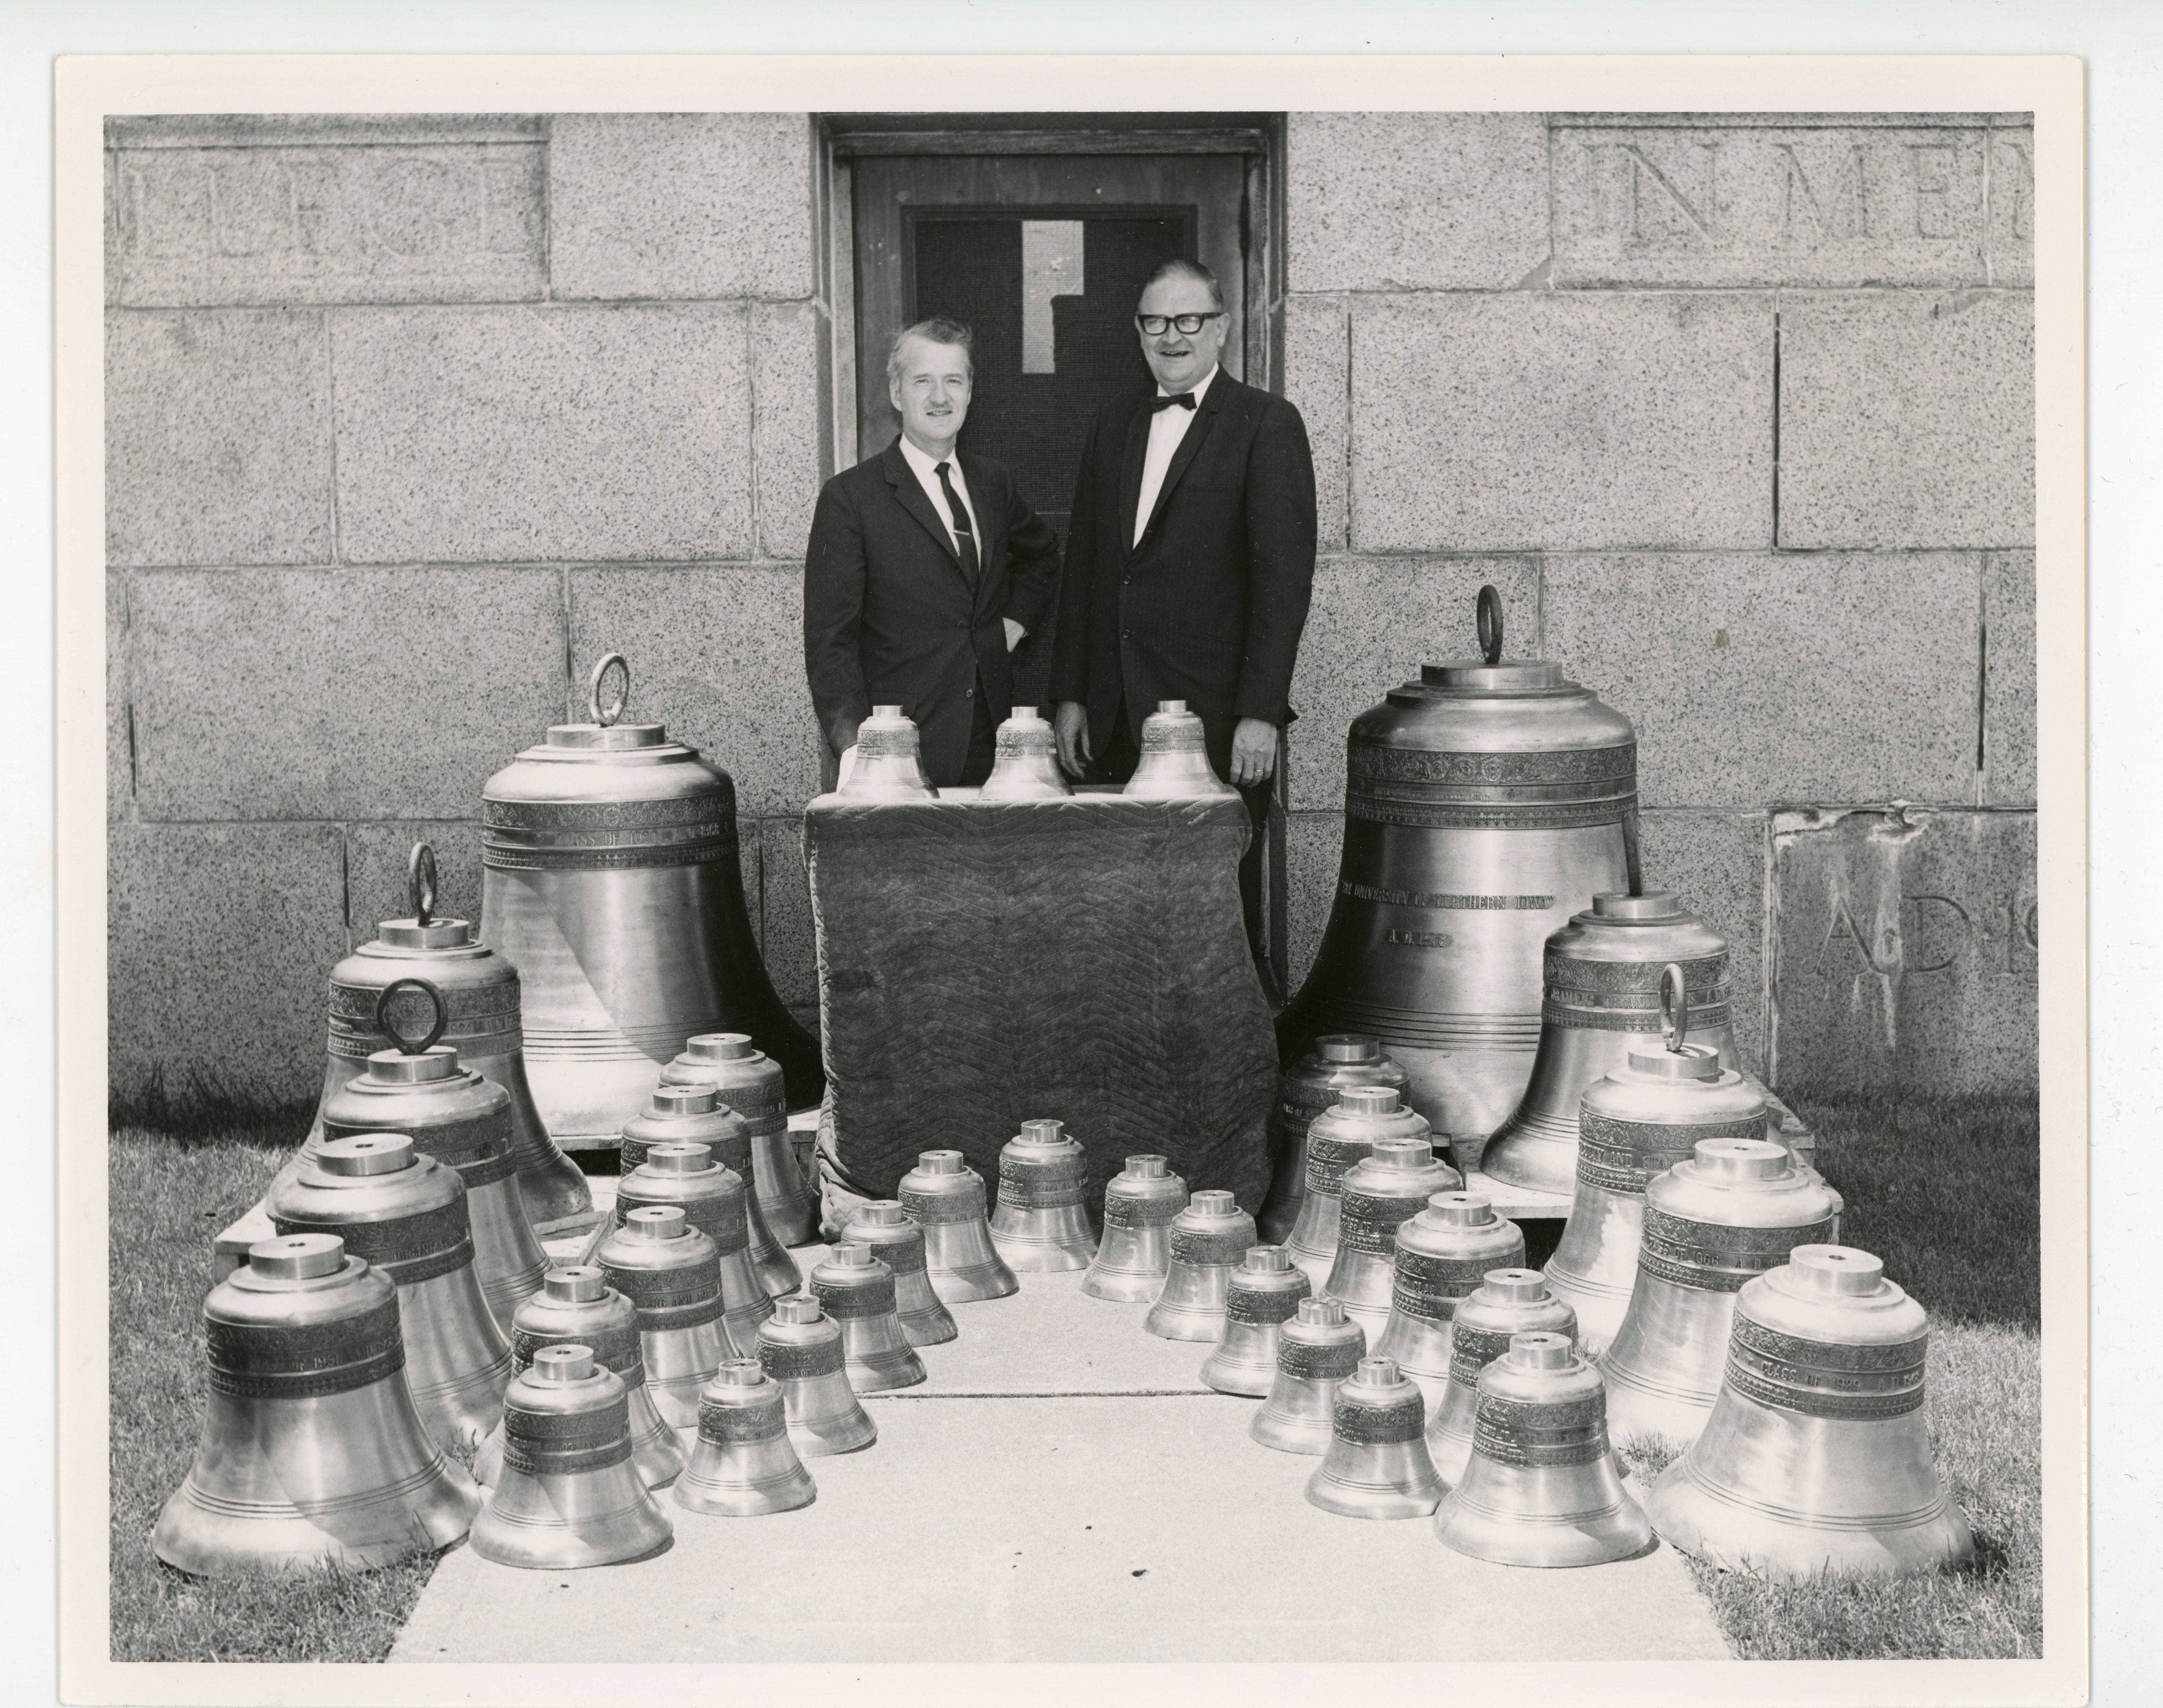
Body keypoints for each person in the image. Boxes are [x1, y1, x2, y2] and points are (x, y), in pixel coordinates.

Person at [1048, 258, 1318, 973]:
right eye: (1155, 322)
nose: (1172, 337)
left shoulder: (1267, 423)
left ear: (1222, 328)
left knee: (1217, 931)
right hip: (1113, 723)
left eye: (1188, 320)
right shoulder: (1112, 426)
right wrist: (1071, 695)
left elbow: (1282, 584)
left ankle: (1236, 1084)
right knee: (1120, 927)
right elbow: (1084, 575)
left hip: (1218, 728)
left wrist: (1262, 711)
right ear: (1139, 332)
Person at [804, 317, 1060, 789]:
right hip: (902, 755)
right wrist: (862, 756)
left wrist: (1013, 623)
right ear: (898, 395)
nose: (940, 397)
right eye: (923, 381)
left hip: (995, 746)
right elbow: (830, 645)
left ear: (970, 392)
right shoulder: (850, 499)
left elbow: (1041, 555)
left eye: (953, 381)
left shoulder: (992, 483)